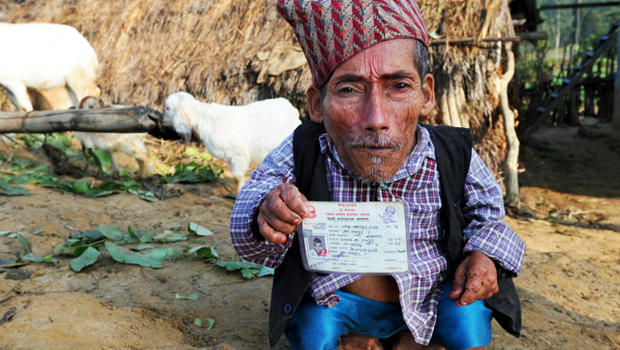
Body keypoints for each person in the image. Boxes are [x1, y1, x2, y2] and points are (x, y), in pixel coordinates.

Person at [230, 1, 526, 349]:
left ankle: (408, 336)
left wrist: (483, 256)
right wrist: (267, 210)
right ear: (315, 105)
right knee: (313, 331)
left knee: (469, 322)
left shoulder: (451, 153)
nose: (376, 118)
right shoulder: (306, 149)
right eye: (349, 89)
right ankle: (365, 335)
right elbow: (250, 207)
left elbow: (490, 215)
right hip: (340, 301)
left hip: (430, 297)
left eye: (399, 86)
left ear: (426, 95)